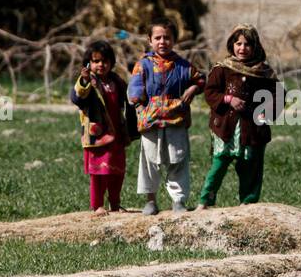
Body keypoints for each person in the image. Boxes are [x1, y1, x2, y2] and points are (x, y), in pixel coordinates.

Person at [198, 24, 281, 208]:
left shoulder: (263, 73)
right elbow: (210, 92)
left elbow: (278, 96)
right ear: (231, 45)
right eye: (238, 43)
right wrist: (228, 99)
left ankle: (248, 203)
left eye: (247, 44)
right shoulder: (222, 69)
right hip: (225, 128)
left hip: (252, 129)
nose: (242, 48)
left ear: (256, 47)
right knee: (218, 165)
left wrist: (264, 113)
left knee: (250, 166)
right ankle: (205, 201)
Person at [126, 20, 204, 214]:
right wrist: (138, 103)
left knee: (178, 160)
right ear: (149, 40)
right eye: (158, 38)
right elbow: (134, 88)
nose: (163, 42)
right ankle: (150, 200)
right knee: (149, 162)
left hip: (176, 120)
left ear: (174, 40)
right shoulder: (142, 65)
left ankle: (178, 201)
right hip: (150, 121)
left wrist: (193, 88)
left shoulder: (184, 66)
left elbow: (201, 79)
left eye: (167, 37)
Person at [70, 40, 133, 214]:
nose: (101, 65)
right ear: (89, 63)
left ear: (111, 63)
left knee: (117, 171)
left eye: (105, 61)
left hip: (117, 132)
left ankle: (115, 203)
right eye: (96, 61)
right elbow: (77, 98)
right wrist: (84, 81)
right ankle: (97, 205)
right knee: (98, 173)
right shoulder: (87, 81)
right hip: (97, 135)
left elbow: (129, 96)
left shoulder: (116, 81)